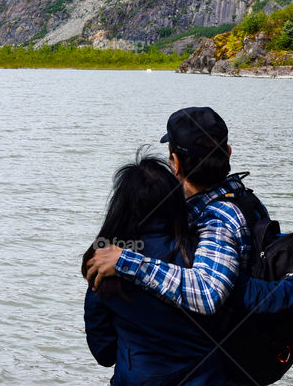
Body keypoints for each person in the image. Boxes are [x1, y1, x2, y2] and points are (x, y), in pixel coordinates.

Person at [85, 107, 293, 315]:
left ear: (175, 163)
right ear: (228, 153)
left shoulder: (217, 217)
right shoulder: (244, 198)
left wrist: (125, 261)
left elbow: (208, 293)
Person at [83, 153, 227, 384]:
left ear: (121, 206)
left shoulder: (104, 265)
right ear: (175, 202)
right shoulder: (204, 257)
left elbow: (104, 353)